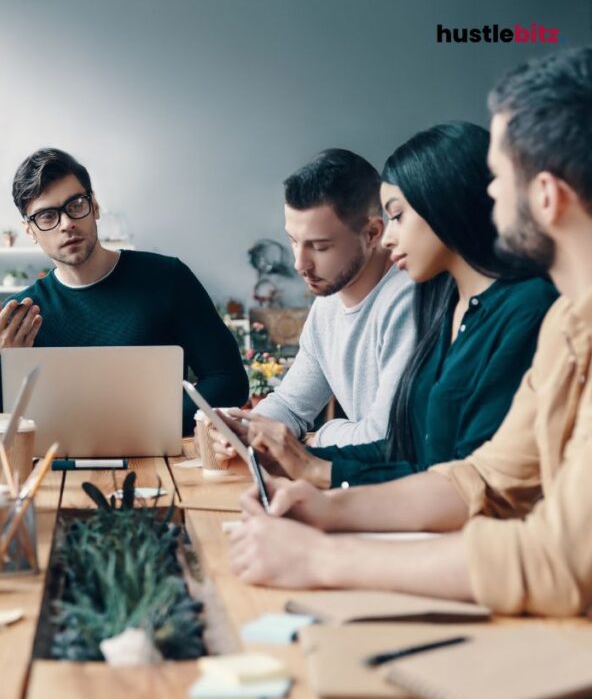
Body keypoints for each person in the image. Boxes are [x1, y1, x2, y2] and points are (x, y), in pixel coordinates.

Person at [227, 47, 592, 617]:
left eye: (498, 177)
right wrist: (326, 511)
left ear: (546, 196)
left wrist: (323, 559)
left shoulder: (536, 309)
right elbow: (483, 478)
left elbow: (561, 561)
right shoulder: (571, 320)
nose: (488, 193)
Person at [213, 123, 557, 488]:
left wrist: (315, 448)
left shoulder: (434, 299)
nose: (300, 264)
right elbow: (427, 459)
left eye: (398, 216)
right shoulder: (455, 305)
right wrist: (261, 438)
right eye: (293, 242)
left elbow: (433, 464)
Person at [0, 148, 248, 434]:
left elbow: (229, 381)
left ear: (95, 206)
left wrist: (152, 424)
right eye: (47, 216)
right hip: (58, 469)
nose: (67, 224)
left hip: (162, 462)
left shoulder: (168, 278)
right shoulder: (25, 312)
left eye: (76, 205)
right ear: (29, 230)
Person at [230, 149, 417, 448]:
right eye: (293, 241)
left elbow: (387, 437)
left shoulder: (408, 301)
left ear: (371, 233)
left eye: (319, 247)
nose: (299, 264)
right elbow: (291, 404)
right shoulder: (327, 305)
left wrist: (322, 436)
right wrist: (246, 430)